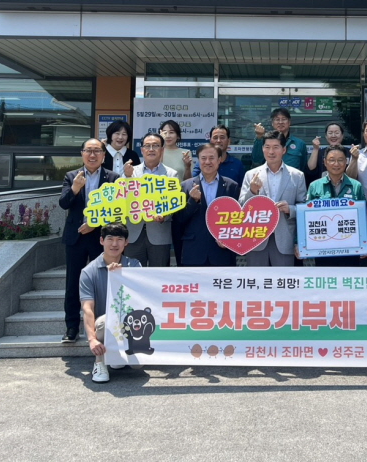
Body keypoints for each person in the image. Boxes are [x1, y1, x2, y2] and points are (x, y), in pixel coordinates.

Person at [58, 139, 120, 343]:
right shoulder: (71, 176)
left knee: (102, 282)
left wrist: (95, 224)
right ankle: (71, 327)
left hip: (100, 238)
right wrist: (75, 188)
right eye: (88, 151)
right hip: (75, 237)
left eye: (96, 151)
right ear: (82, 153)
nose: (92, 155)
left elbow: (116, 209)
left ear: (103, 155)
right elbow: (64, 203)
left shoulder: (113, 178)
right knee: (73, 283)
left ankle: (103, 326)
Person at [79, 223, 142, 383]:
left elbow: (140, 298)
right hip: (102, 325)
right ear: (101, 241)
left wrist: (122, 276)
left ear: (126, 242)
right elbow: (87, 308)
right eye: (110, 239)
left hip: (130, 323)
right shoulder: (89, 271)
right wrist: (91, 339)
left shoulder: (134, 265)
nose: (114, 244)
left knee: (138, 365)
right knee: (108, 320)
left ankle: (115, 355)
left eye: (119, 239)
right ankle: (99, 363)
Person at [241, 130, 307, 266]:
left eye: (276, 147)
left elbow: (304, 208)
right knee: (256, 278)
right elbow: (241, 208)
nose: (271, 152)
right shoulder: (251, 174)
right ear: (262, 149)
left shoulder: (297, 176)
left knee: (284, 278)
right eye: (267, 147)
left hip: (284, 238)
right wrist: (252, 191)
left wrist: (290, 209)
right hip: (256, 238)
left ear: (284, 150)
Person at [174, 143, 241, 267]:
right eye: (203, 158)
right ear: (198, 160)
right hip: (193, 251)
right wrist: (193, 202)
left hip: (222, 252)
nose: (207, 162)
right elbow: (179, 220)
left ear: (219, 160)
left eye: (212, 158)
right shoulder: (185, 186)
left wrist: (229, 239)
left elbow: (237, 220)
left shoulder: (231, 186)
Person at [305, 143, 367, 267]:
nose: (336, 164)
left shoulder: (356, 186)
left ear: (346, 162)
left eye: (340, 160)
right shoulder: (315, 186)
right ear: (325, 162)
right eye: (332, 160)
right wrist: (300, 242)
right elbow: (305, 216)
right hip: (323, 247)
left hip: (350, 245)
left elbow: (363, 216)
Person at [122, 132, 177, 267]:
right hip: (133, 233)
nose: (151, 149)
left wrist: (165, 215)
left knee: (159, 275)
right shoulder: (130, 172)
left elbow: (174, 202)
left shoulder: (171, 174)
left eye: (155, 146)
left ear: (162, 150)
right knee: (133, 274)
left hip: (159, 233)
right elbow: (121, 198)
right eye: (147, 146)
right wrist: (127, 178)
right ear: (142, 150)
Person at [251, 107, 308, 173]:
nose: (280, 122)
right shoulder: (265, 141)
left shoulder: (300, 144)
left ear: (289, 122)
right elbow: (257, 159)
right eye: (277, 119)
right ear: (272, 123)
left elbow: (303, 167)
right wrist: (259, 136)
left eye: (284, 119)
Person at [192, 125, 246, 191]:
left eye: (222, 137)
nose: (218, 140)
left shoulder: (237, 164)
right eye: (215, 138)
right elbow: (192, 183)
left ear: (229, 141)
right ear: (210, 141)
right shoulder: (203, 163)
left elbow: (242, 189)